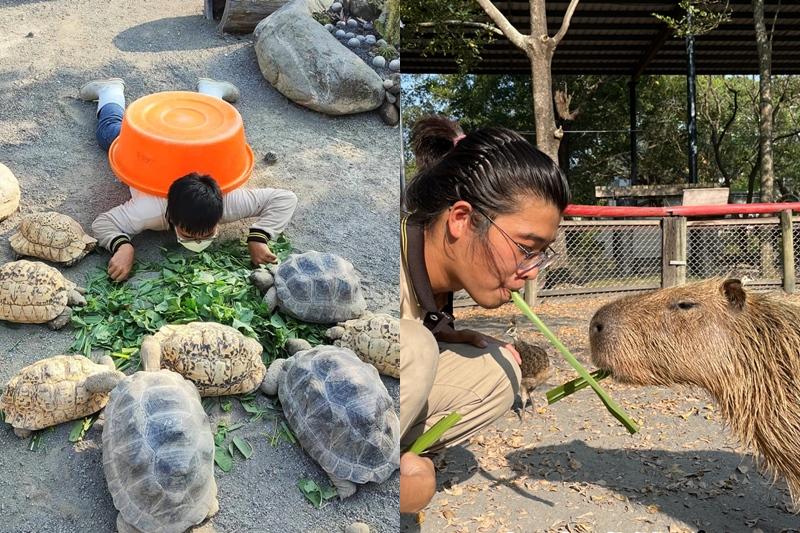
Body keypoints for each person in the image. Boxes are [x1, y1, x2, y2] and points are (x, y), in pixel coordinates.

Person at [399, 116, 570, 513]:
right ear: (461, 219)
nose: (529, 272)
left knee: (499, 368)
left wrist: (443, 333)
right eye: (526, 247)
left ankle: (398, 450)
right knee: (414, 345)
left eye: (541, 254)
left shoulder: (436, 281)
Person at [78, 78, 298, 281]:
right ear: (171, 217)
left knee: (210, 130)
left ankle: (211, 92)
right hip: (155, 155)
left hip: (202, 150)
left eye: (208, 233)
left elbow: (285, 199)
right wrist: (123, 247)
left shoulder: (228, 203)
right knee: (110, 133)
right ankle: (110, 92)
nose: (198, 241)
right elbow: (104, 222)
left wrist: (259, 237)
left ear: (218, 215)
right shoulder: (150, 209)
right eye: (188, 234)